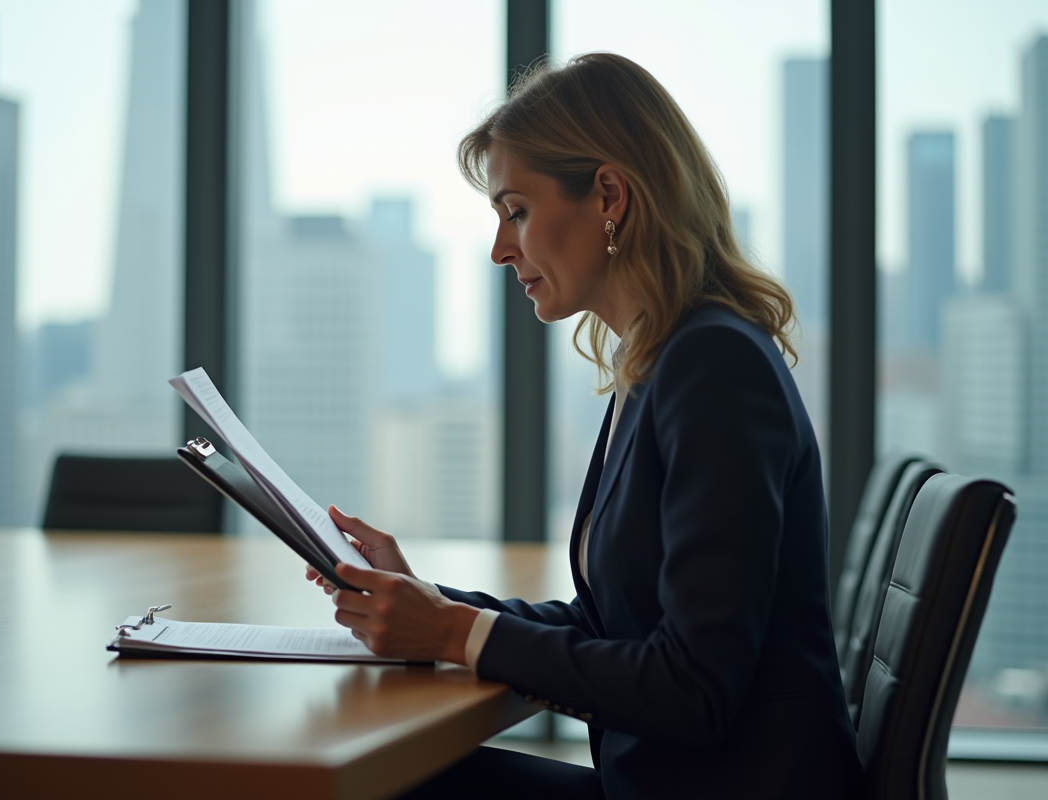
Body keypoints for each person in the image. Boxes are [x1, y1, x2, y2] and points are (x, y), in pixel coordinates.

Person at [307, 52, 863, 800]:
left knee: (358, 785)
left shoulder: (714, 366)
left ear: (609, 196)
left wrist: (450, 633)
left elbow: (693, 689)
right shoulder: (660, 359)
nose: (500, 249)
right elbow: (609, 623)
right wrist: (428, 603)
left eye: (516, 211)